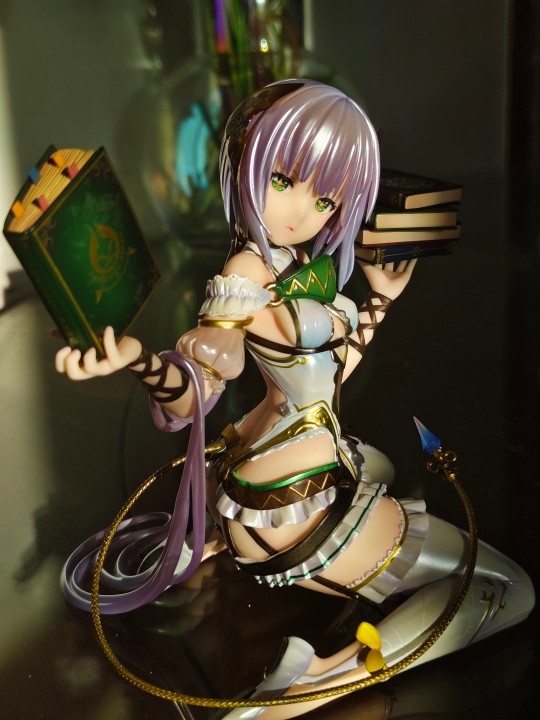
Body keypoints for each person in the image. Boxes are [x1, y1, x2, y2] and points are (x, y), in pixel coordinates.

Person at [56, 80, 535, 719]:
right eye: (283, 180)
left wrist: (380, 300)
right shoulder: (247, 273)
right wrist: (138, 361)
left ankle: (265, 592)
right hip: (291, 512)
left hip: (275, 479)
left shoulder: (291, 259)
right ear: (246, 163)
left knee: (383, 467)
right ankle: (320, 683)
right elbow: (196, 390)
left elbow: (326, 373)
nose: (303, 210)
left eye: (326, 197)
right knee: (507, 587)